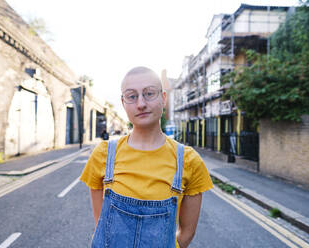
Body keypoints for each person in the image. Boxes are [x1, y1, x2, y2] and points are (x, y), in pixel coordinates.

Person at [80, 66, 213, 248]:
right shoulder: (103, 154)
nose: (141, 103)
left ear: (163, 98)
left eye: (149, 93)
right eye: (132, 96)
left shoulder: (189, 161)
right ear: (123, 102)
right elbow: (102, 227)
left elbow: (187, 234)